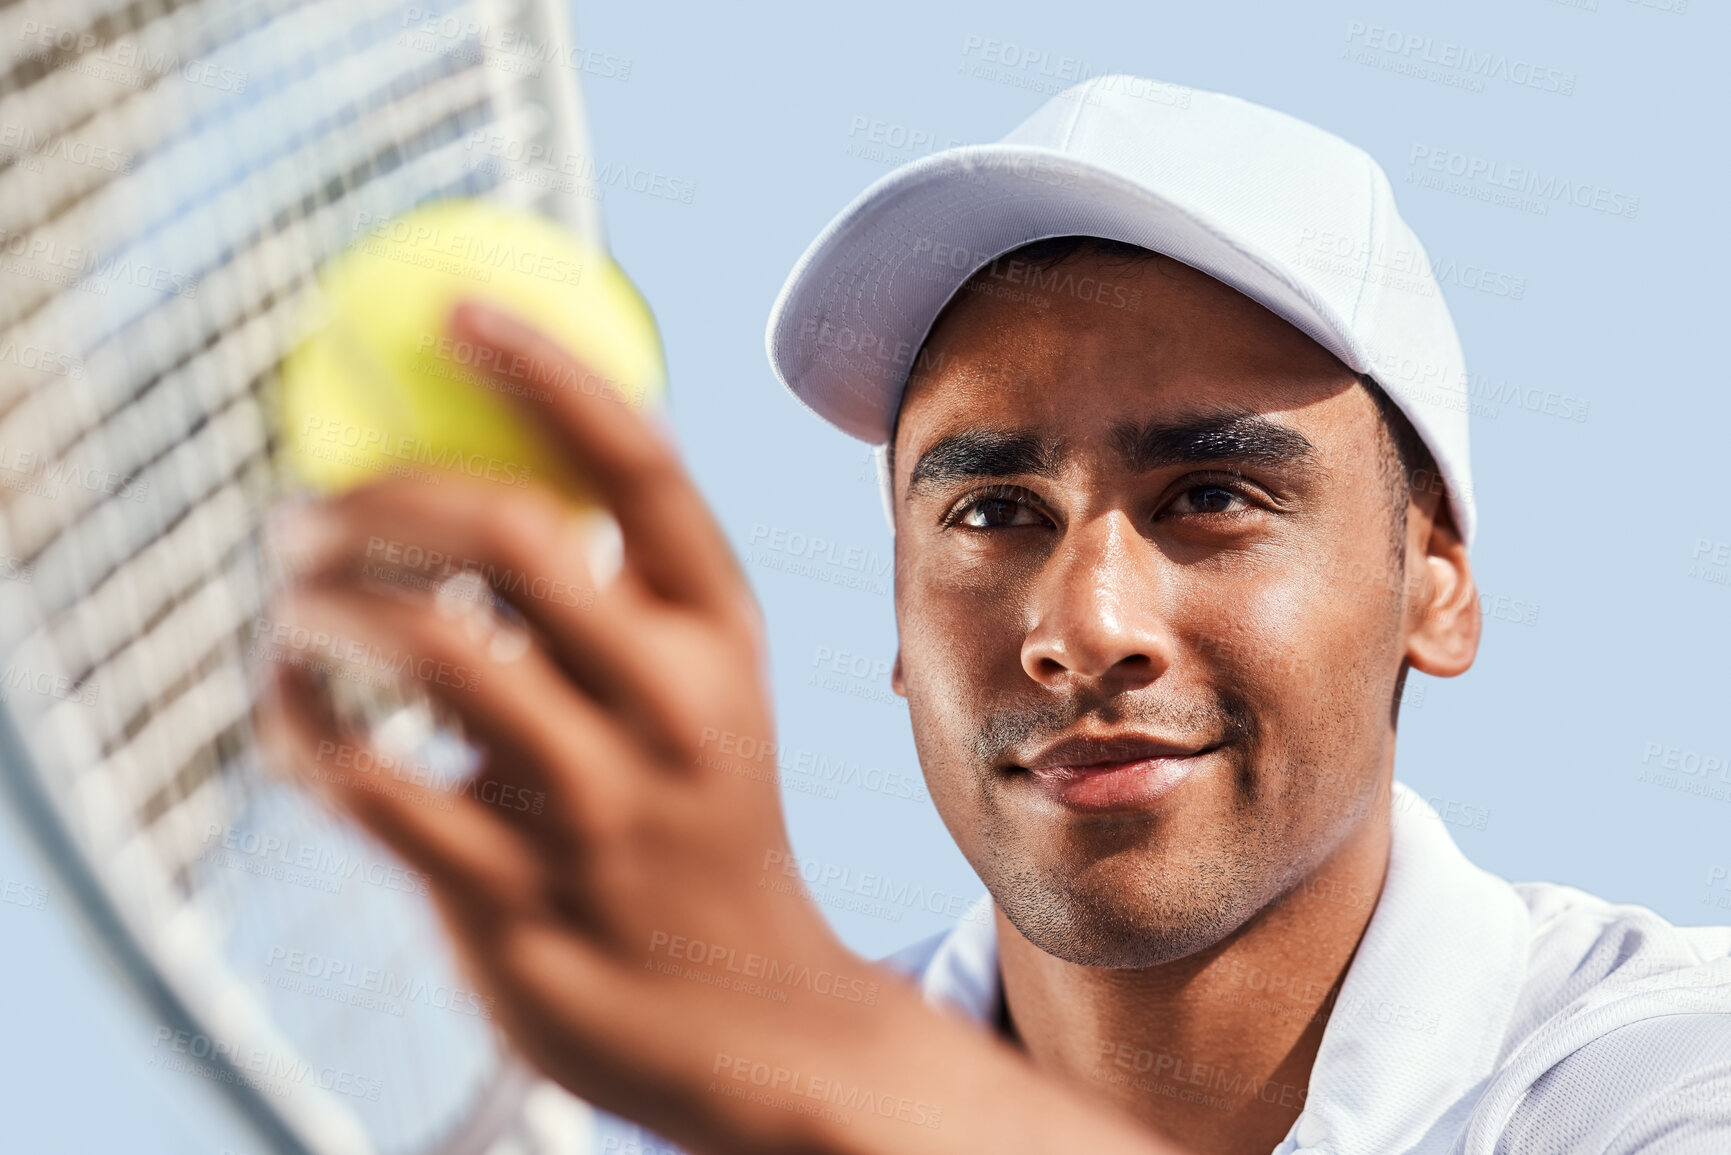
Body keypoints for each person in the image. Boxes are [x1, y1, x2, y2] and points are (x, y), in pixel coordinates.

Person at [259, 76, 1731, 1155]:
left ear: (1437, 578)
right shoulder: (679, 1115)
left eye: (1212, 495)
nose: (1082, 625)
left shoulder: (1664, 1077)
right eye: (990, 514)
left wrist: (816, 1048)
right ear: (897, 622)